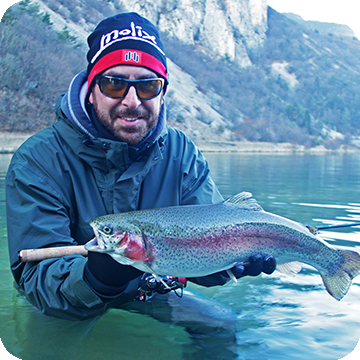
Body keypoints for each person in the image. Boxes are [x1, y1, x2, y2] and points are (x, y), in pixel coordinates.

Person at [6, 12, 276, 321]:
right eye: (113, 84)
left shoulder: (182, 152)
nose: (132, 101)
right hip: (66, 304)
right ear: (91, 91)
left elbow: (200, 262)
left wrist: (229, 262)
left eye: (147, 86)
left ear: (162, 93)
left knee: (222, 327)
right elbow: (36, 280)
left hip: (150, 291)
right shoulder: (38, 160)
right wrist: (99, 276)